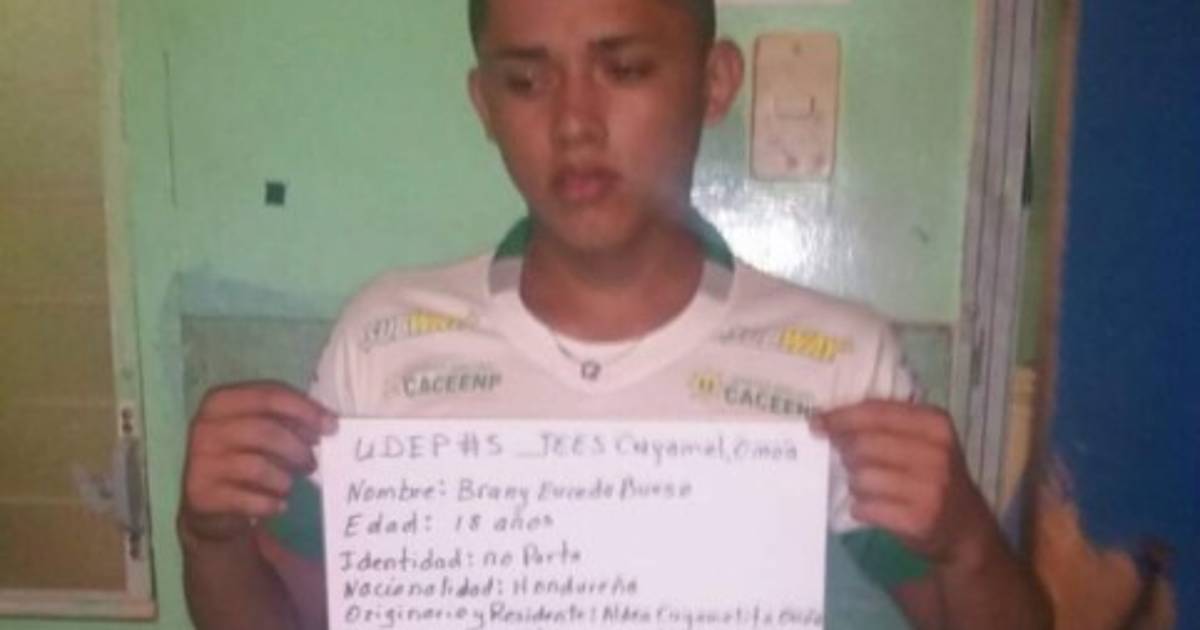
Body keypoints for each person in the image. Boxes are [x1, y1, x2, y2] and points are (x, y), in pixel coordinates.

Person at [178, 1, 1052, 629]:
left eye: (625, 69)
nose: (575, 123)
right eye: (526, 81)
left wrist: (968, 542)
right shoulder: (386, 341)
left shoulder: (835, 363)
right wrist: (211, 538)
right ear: (484, 105)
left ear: (714, 82)